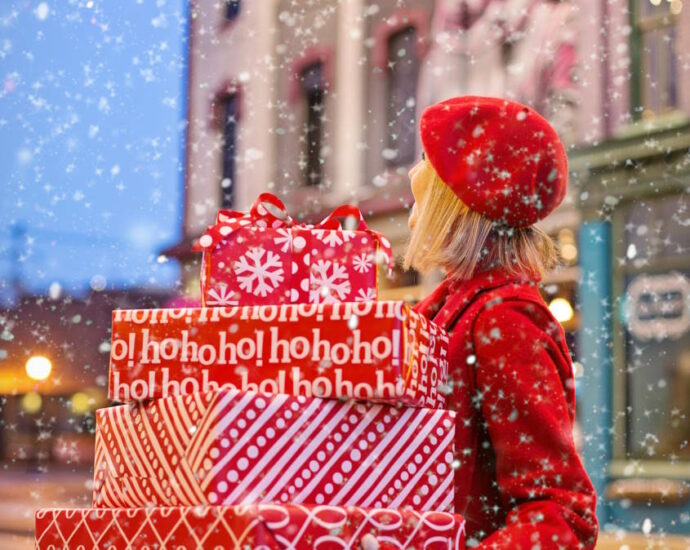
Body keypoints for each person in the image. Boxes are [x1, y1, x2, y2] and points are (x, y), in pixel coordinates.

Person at [406, 96, 598, 548]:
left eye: (421, 197)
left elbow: (560, 514)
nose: (412, 216)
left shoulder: (503, 322)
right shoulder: (449, 313)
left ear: (455, 206)